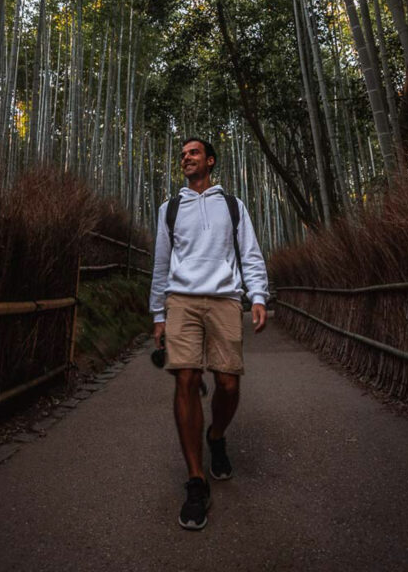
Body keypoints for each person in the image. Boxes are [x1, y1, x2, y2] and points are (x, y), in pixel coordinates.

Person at [149, 137, 270, 530]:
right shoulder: (170, 209)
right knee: (185, 378)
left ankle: (216, 435)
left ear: (210, 161)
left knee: (229, 384)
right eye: (182, 154)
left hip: (223, 300)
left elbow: (249, 252)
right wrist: (158, 314)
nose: (186, 157)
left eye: (193, 152)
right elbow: (161, 263)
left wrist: (258, 296)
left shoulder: (232, 205)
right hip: (181, 301)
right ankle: (196, 480)